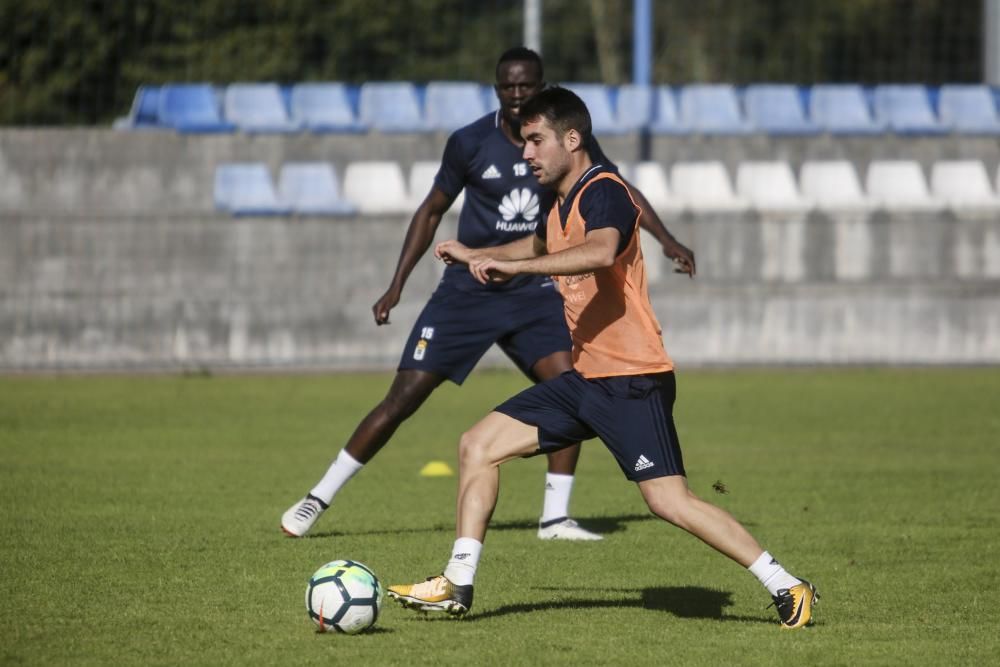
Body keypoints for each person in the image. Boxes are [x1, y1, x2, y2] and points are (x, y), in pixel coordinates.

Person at [386, 87, 818, 629]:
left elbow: (602, 249)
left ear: (573, 138)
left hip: (633, 379)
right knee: (478, 445)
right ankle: (458, 583)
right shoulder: (560, 200)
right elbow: (540, 246)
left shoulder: (605, 190)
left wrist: (515, 272)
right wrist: (480, 254)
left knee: (669, 502)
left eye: (536, 140)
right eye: (523, 143)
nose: (526, 154)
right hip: (586, 379)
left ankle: (788, 584)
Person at [280, 47, 695, 542]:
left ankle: (555, 517)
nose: (517, 96)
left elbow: (616, 196)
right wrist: (397, 285)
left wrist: (665, 238)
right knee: (404, 396)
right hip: (469, 290)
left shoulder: (563, 142)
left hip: (538, 290)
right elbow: (431, 211)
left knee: (573, 381)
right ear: (497, 89)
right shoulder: (470, 142)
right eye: (508, 87)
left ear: (543, 89)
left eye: (527, 87)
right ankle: (317, 498)